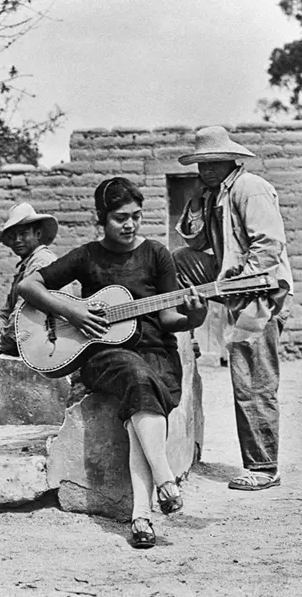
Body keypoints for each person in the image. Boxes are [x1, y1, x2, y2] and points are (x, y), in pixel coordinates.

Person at [17, 177, 207, 549]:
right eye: (120, 217)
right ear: (100, 218)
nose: (130, 224)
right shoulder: (88, 256)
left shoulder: (156, 254)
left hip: (157, 353)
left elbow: (169, 318)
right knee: (136, 378)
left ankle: (141, 517)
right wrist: (72, 309)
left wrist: (194, 319)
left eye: (136, 216)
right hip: (103, 355)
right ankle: (164, 478)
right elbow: (29, 286)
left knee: (143, 388)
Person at [173, 125, 293, 492]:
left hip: (259, 291)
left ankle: (263, 466)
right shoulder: (213, 195)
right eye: (201, 164)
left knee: (252, 379)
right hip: (233, 283)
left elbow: (268, 245)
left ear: (232, 160)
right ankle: (178, 332)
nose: (207, 170)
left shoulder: (249, 188)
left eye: (215, 163)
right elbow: (194, 241)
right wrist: (196, 203)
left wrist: (240, 285)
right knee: (177, 260)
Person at [0, 202, 59, 357]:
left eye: (23, 234)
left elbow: (22, 314)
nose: (17, 240)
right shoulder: (26, 266)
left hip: (49, 346)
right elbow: (5, 312)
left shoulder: (41, 261)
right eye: (12, 236)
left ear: (38, 234)